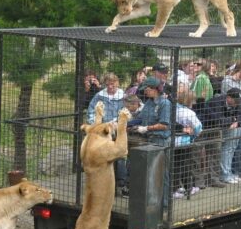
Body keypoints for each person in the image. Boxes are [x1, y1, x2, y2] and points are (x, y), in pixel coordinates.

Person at [134, 77, 171, 206]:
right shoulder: (149, 103)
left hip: (160, 141)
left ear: (155, 89)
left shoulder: (164, 104)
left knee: (162, 173)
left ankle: (164, 203)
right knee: (150, 172)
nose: (145, 92)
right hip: (148, 141)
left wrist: (147, 128)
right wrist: (124, 124)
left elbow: (164, 125)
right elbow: (140, 119)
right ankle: (151, 201)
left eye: (147, 89)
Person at [86, 73, 126, 188]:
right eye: (108, 85)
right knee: (102, 154)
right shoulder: (99, 96)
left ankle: (121, 180)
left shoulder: (123, 96)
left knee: (119, 155)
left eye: (113, 84)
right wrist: (97, 124)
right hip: (102, 131)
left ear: (117, 83)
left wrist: (118, 123)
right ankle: (102, 178)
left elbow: (128, 111)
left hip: (118, 131)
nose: (110, 87)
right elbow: (91, 112)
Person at [199, 87, 241, 185]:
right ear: (228, 98)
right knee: (204, 153)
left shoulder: (235, 104)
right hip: (206, 128)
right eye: (235, 101)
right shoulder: (216, 102)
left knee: (218, 152)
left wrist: (237, 121)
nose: (237, 103)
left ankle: (220, 176)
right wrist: (233, 119)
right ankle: (203, 181)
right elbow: (218, 120)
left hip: (218, 129)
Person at [173, 84, 203, 198]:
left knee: (175, 165)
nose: (194, 102)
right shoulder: (189, 113)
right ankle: (187, 188)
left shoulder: (173, 108)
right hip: (184, 143)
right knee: (184, 166)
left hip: (173, 142)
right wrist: (194, 131)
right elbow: (198, 128)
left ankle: (177, 187)